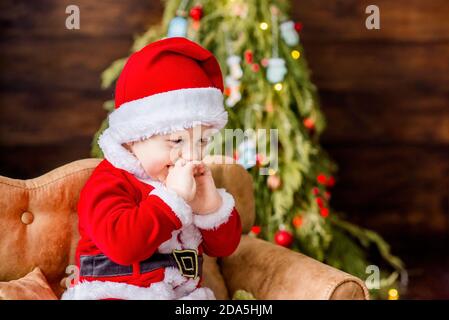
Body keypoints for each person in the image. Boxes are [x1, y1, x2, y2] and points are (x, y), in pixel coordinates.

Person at [61, 37, 242, 300]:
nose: (191, 155)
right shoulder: (109, 181)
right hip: (115, 293)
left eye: (201, 141)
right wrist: (173, 200)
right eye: (176, 140)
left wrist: (211, 207)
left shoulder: (192, 179)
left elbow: (225, 247)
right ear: (133, 139)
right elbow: (123, 246)